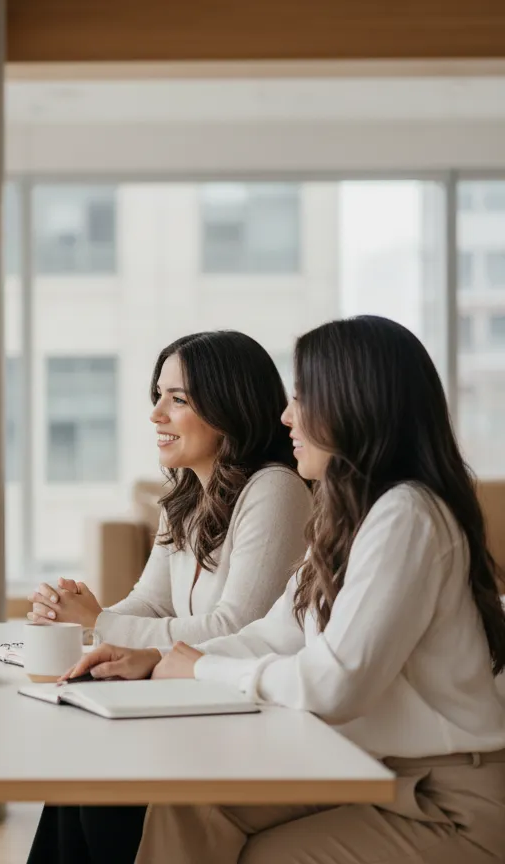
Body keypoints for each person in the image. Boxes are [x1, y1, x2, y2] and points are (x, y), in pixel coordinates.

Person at [62, 316, 505, 864]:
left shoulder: (407, 515)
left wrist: (198, 667)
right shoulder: (350, 517)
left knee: (258, 853)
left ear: (352, 403)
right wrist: (159, 658)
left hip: (443, 800)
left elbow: (335, 684)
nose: (286, 416)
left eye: (301, 397)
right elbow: (273, 633)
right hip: (372, 766)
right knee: (186, 805)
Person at [28, 331, 313, 864]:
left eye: (177, 399)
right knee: (77, 766)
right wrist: (81, 618)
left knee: (101, 790)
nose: (156, 413)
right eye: (158, 395)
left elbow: (236, 626)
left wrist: (102, 624)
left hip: (243, 713)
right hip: (190, 703)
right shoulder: (185, 495)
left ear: (232, 405)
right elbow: (150, 602)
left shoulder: (274, 489)